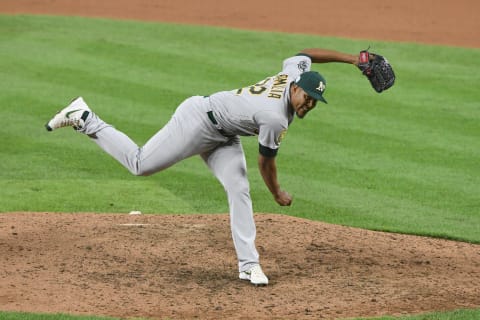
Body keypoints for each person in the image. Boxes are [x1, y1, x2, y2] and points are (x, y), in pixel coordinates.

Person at [45, 48, 360, 286]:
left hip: (224, 135)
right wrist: (277, 193)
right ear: (295, 89)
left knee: (239, 188)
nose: (308, 105)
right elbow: (266, 161)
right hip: (197, 121)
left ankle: (248, 265)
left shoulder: (295, 74)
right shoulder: (275, 118)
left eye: (314, 102)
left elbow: (304, 54)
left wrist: (353, 60)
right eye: (306, 98)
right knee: (140, 164)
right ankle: (85, 118)